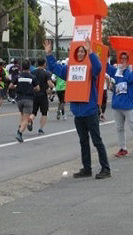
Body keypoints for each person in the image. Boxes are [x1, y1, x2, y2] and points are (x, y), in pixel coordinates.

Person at [45, 38, 111, 180]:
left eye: (83, 51)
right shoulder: (70, 69)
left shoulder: (90, 69)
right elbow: (55, 68)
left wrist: (91, 52)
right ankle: (87, 168)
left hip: (90, 110)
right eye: (79, 51)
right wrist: (49, 54)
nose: (80, 53)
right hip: (78, 112)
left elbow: (99, 68)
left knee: (97, 141)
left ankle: (106, 169)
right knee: (83, 141)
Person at [107, 52, 133, 158]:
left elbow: (130, 79)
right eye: (121, 58)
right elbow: (107, 68)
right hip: (117, 104)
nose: (123, 60)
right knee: (119, 128)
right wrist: (105, 56)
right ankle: (122, 148)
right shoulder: (117, 70)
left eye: (125, 58)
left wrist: (126, 69)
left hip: (129, 105)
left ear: (129, 60)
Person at [10, 59, 39, 142]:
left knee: (23, 116)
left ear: (22, 67)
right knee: (26, 119)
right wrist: (31, 88)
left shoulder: (18, 77)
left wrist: (17, 86)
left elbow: (10, 86)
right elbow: (37, 88)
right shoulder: (32, 77)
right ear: (29, 67)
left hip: (19, 100)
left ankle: (22, 125)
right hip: (28, 100)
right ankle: (19, 133)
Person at [28, 57, 54, 135]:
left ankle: (30, 120)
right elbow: (50, 84)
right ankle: (41, 129)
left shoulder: (33, 72)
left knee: (34, 112)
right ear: (44, 64)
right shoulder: (46, 73)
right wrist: (52, 86)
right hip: (43, 95)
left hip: (34, 95)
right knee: (44, 113)